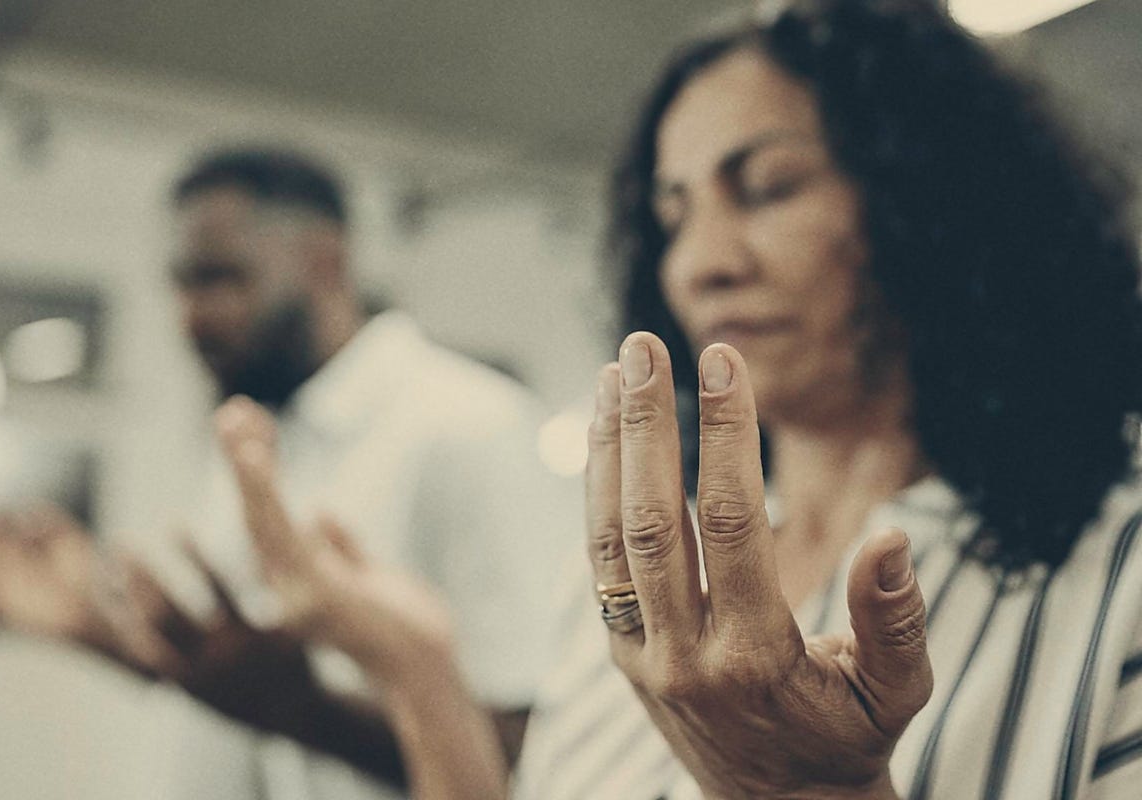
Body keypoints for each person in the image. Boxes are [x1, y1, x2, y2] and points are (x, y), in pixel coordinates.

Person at [206, 1, 1142, 798]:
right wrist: (416, 675)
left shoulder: (1119, 560)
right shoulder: (656, 567)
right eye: (673, 216)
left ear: (933, 202)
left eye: (768, 187)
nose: (702, 264)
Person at [0, 148, 581, 799]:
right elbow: (240, 690)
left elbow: (538, 751)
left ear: (325, 262)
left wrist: (300, 708)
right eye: (181, 283)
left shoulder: (468, 426)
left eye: (221, 279)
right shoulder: (258, 438)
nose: (190, 316)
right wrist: (105, 636)